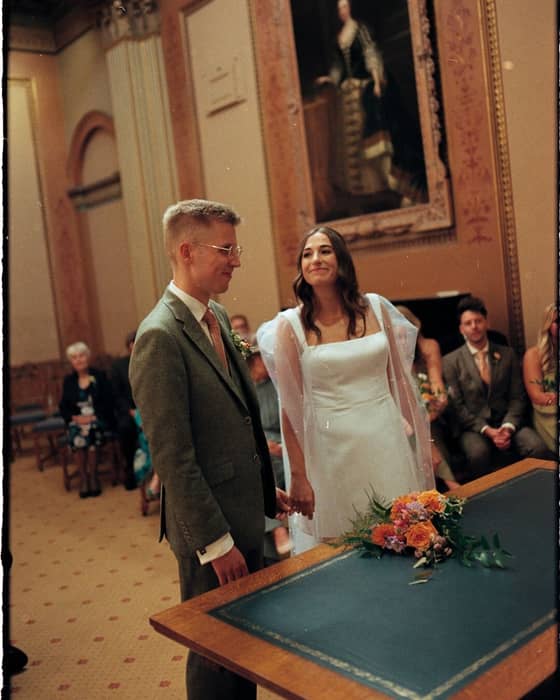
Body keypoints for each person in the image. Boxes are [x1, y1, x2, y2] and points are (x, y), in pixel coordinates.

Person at [129, 198, 290, 700]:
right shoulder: (159, 336)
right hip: (209, 530)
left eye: (236, 249)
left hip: (243, 511)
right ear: (187, 250)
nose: (236, 261)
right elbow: (173, 458)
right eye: (226, 249)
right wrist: (217, 544)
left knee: (246, 645)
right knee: (216, 654)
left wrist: (264, 490)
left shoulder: (215, 314)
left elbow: (237, 418)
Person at [257, 225, 434, 553]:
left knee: (398, 531)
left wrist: (425, 445)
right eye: (307, 254)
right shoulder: (290, 326)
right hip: (330, 449)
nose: (315, 259)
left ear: (342, 260)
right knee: (342, 544)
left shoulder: (376, 308)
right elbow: (289, 407)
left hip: (385, 439)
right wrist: (299, 475)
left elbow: (399, 381)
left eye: (325, 251)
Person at [315, 0, 424, 204]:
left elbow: (371, 54)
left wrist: (376, 80)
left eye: (344, 7)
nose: (342, 11)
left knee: (371, 131)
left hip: (363, 89)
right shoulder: (339, 37)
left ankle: (383, 184)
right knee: (351, 140)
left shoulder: (360, 30)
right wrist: (329, 79)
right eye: (339, 9)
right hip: (347, 93)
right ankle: (361, 189)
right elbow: (338, 66)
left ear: (350, 8)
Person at [442, 296, 553, 480]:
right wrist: (487, 430)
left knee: (537, 447)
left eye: (478, 321)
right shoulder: (450, 362)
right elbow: (458, 407)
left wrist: (508, 427)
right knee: (478, 454)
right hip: (474, 428)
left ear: (487, 323)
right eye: (468, 323)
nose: (474, 326)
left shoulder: (507, 354)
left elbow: (518, 397)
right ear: (462, 329)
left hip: (509, 422)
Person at [396, 306, 459, 490]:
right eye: (398, 337)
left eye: (406, 335)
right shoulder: (389, 358)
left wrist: (440, 400)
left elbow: (436, 382)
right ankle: (450, 484)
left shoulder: (428, 347)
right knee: (416, 431)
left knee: (425, 430)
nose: (403, 341)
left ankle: (444, 485)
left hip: (434, 417)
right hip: (407, 421)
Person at [246, 349, 292, 559]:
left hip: (283, 441)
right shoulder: (247, 390)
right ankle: (276, 529)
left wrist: (282, 446)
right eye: (258, 360)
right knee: (258, 465)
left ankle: (276, 532)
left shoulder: (277, 386)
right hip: (258, 443)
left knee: (269, 465)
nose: (263, 363)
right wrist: (264, 445)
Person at [59, 342, 115, 498]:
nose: (78, 360)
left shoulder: (99, 376)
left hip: (98, 418)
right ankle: (84, 478)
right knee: (77, 431)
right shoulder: (69, 381)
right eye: (74, 357)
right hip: (77, 421)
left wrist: (93, 417)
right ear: (71, 361)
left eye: (81, 356)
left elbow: (109, 401)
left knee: (90, 429)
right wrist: (74, 418)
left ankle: (93, 477)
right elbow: (63, 406)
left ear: (87, 357)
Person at [522, 304, 557, 453]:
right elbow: (536, 396)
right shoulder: (534, 355)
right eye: (557, 321)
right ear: (548, 325)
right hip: (548, 413)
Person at [110, 330, 138, 490]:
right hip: (128, 410)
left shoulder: (153, 360)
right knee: (126, 428)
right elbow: (116, 394)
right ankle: (130, 470)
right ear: (129, 346)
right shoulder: (118, 366)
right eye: (133, 343)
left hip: (152, 410)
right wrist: (130, 411)